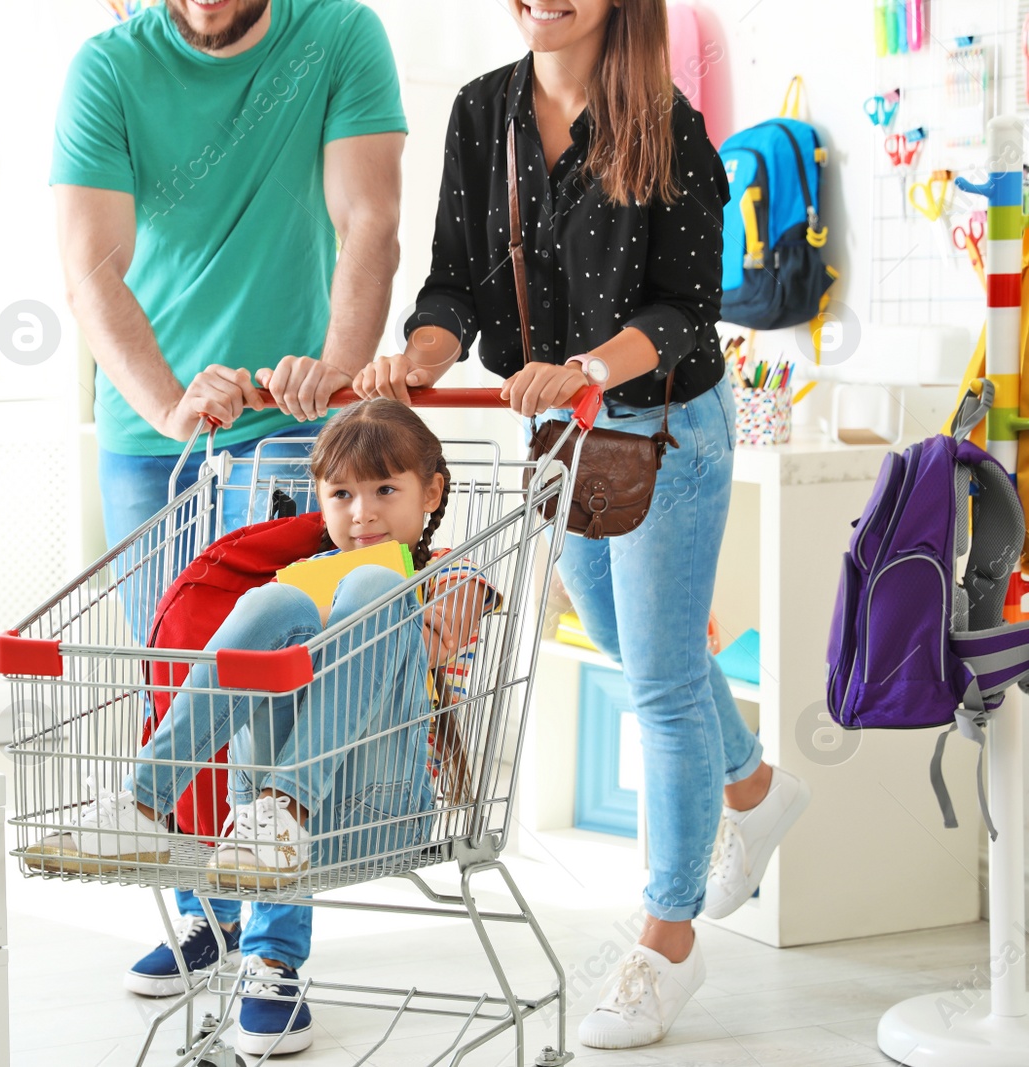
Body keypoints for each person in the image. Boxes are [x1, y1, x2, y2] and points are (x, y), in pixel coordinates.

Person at [352, 0, 812, 1051]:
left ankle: (665, 939)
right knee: (611, 635)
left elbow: (690, 308)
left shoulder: (665, 121)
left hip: (663, 426)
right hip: (562, 433)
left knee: (655, 678)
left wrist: (592, 366)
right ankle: (750, 783)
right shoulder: (482, 114)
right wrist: (420, 353)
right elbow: (454, 284)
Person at [51, 0, 409, 1000]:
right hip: (153, 432)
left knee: (277, 682)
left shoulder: (338, 35)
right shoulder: (109, 67)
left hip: (293, 425)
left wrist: (336, 380)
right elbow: (90, 263)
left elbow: (367, 219)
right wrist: (168, 403)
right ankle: (206, 916)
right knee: (187, 685)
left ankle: (273, 953)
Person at [28, 399, 498, 1056]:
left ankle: (277, 850)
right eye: (342, 494)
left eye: (385, 490)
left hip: (380, 803)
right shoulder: (305, 580)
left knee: (370, 586)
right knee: (271, 600)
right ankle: (146, 805)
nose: (361, 512)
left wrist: (428, 591)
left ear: (432, 492)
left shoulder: (452, 569)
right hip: (272, 823)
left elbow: (455, 612)